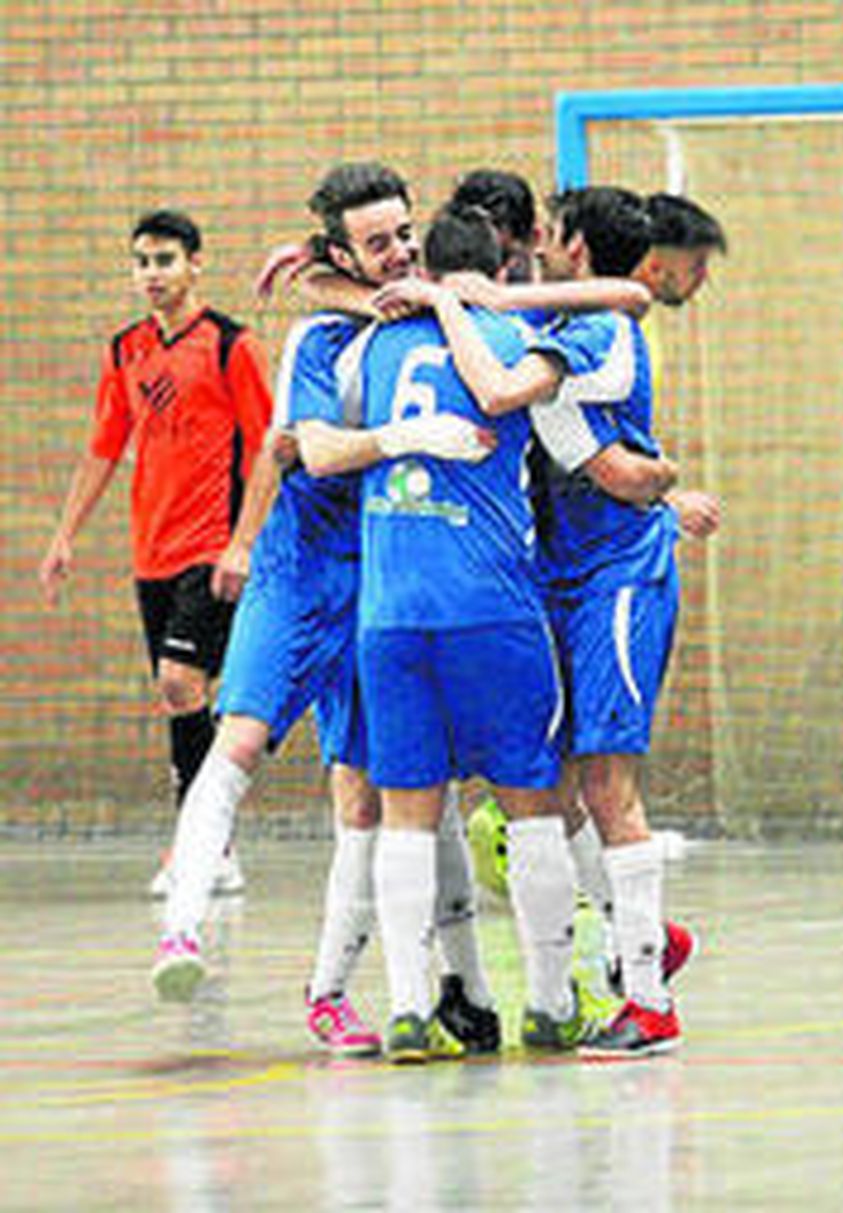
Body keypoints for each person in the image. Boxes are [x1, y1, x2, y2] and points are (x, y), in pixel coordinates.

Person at [147, 165, 501, 1060]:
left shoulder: (432, 315)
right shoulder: (318, 339)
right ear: (342, 252)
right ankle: (182, 927)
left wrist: (336, 270)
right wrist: (401, 435)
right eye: (378, 242)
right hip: (301, 574)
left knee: (376, 795)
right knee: (238, 743)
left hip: (386, 580)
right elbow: (310, 448)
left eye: (405, 233)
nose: (401, 253)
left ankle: (334, 994)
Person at [412, 187, 695, 1056]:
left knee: (608, 785)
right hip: (560, 574)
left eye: (549, 237)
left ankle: (648, 1004)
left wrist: (453, 300)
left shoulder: (599, 329)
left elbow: (510, 399)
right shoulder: (573, 312)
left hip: (616, 575)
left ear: (570, 243)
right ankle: (643, 932)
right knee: (561, 784)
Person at [321, 205, 580, 1063]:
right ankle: (548, 1000)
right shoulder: (510, 337)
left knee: (406, 813)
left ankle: (404, 1007)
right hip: (492, 602)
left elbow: (333, 438)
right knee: (530, 801)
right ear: (498, 273)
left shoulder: (365, 348)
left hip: (391, 607)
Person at [39, 209, 273, 897]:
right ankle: (213, 842)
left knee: (179, 680)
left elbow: (269, 447)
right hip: (153, 552)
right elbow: (104, 446)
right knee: (184, 697)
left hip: (213, 546)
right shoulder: (126, 350)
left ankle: (199, 850)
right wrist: (64, 533)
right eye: (142, 261)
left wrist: (243, 542)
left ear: (195, 263)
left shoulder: (233, 345)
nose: (152, 273)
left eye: (165, 260)